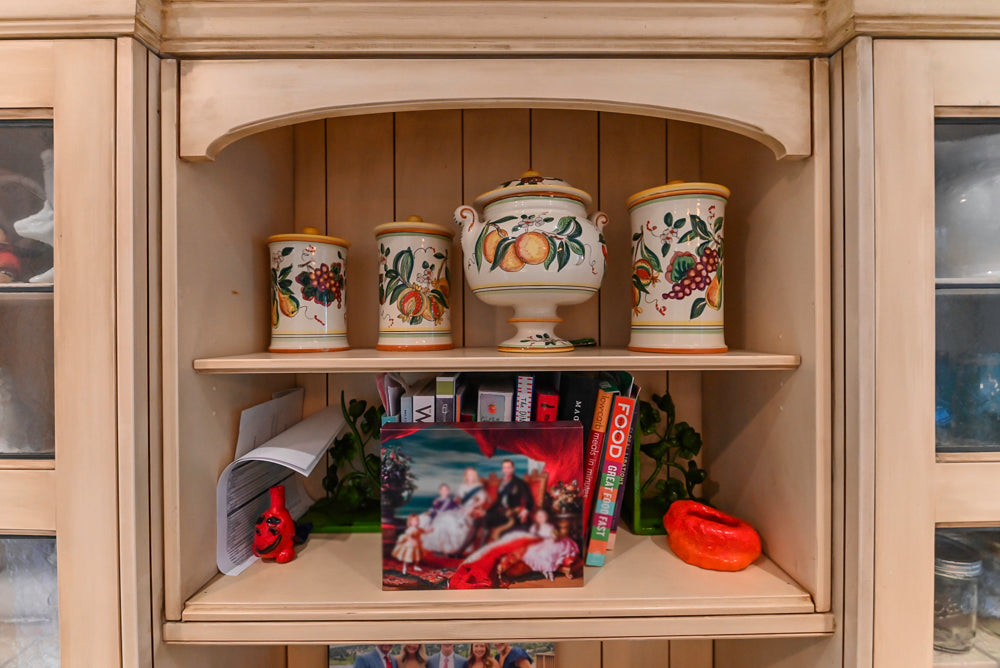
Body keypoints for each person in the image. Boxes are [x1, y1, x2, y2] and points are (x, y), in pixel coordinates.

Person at [421, 468, 489, 556]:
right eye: (468, 475)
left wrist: (471, 508)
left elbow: (482, 500)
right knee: (443, 518)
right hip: (460, 509)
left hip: (470, 511)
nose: (470, 477)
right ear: (465, 476)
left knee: (452, 521)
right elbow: (457, 499)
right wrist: (441, 501)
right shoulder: (462, 486)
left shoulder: (478, 487)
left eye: (472, 475)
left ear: (475, 476)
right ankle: (441, 548)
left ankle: (453, 549)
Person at [520, 508, 580, 581]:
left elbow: (554, 536)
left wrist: (553, 538)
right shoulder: (535, 527)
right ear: (536, 518)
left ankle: (550, 571)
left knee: (550, 551)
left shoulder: (550, 526)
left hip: (551, 543)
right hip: (538, 544)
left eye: (544, 516)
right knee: (532, 552)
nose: (542, 518)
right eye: (540, 517)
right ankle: (544, 570)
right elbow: (531, 538)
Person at [484, 459, 535, 541]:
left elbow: (530, 501)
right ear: (502, 469)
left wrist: (524, 511)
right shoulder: (501, 483)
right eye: (504, 468)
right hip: (502, 514)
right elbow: (498, 502)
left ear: (513, 469)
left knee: (485, 520)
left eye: (508, 467)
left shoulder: (520, 483)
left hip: (513, 515)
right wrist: (486, 511)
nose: (506, 470)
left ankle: (485, 549)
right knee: (483, 519)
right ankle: (482, 550)